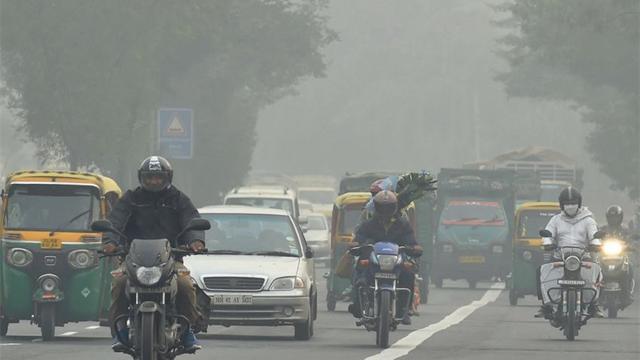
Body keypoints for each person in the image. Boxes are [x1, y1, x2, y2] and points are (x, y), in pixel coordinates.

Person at [102, 156, 206, 352]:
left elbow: (191, 219)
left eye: (158, 177)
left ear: (167, 177)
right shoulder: (131, 198)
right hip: (133, 261)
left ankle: (187, 331)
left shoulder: (178, 199)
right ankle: (119, 331)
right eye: (149, 177)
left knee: (185, 285)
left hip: (171, 259)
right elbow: (115, 221)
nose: (154, 181)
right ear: (142, 178)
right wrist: (110, 242)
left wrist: (195, 240)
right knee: (119, 283)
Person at [348, 190, 422, 325]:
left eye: (388, 207)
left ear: (394, 207)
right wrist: (356, 244)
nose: (385, 211)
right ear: (376, 207)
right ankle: (358, 305)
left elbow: (411, 241)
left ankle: (403, 310)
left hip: (396, 261)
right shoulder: (368, 224)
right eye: (382, 207)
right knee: (359, 275)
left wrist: (414, 247)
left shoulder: (403, 224)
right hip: (373, 260)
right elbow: (359, 238)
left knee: (408, 275)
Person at [535, 186, 604, 319]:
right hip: (560, 256)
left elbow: (594, 235)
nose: (570, 206)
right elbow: (548, 233)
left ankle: (593, 305)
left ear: (579, 203)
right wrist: (547, 243)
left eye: (573, 203)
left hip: (583, 256)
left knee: (597, 270)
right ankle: (547, 305)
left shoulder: (588, 220)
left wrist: (596, 244)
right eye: (567, 203)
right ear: (562, 205)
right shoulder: (555, 220)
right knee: (543, 271)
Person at [600, 205, 635, 304]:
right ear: (607, 218)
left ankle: (627, 293)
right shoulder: (603, 229)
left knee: (630, 267)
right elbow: (595, 237)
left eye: (616, 217)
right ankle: (596, 294)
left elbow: (631, 239)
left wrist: (631, 245)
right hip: (605, 256)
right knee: (596, 269)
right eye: (611, 217)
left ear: (620, 217)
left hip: (621, 256)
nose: (614, 219)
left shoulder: (625, 230)